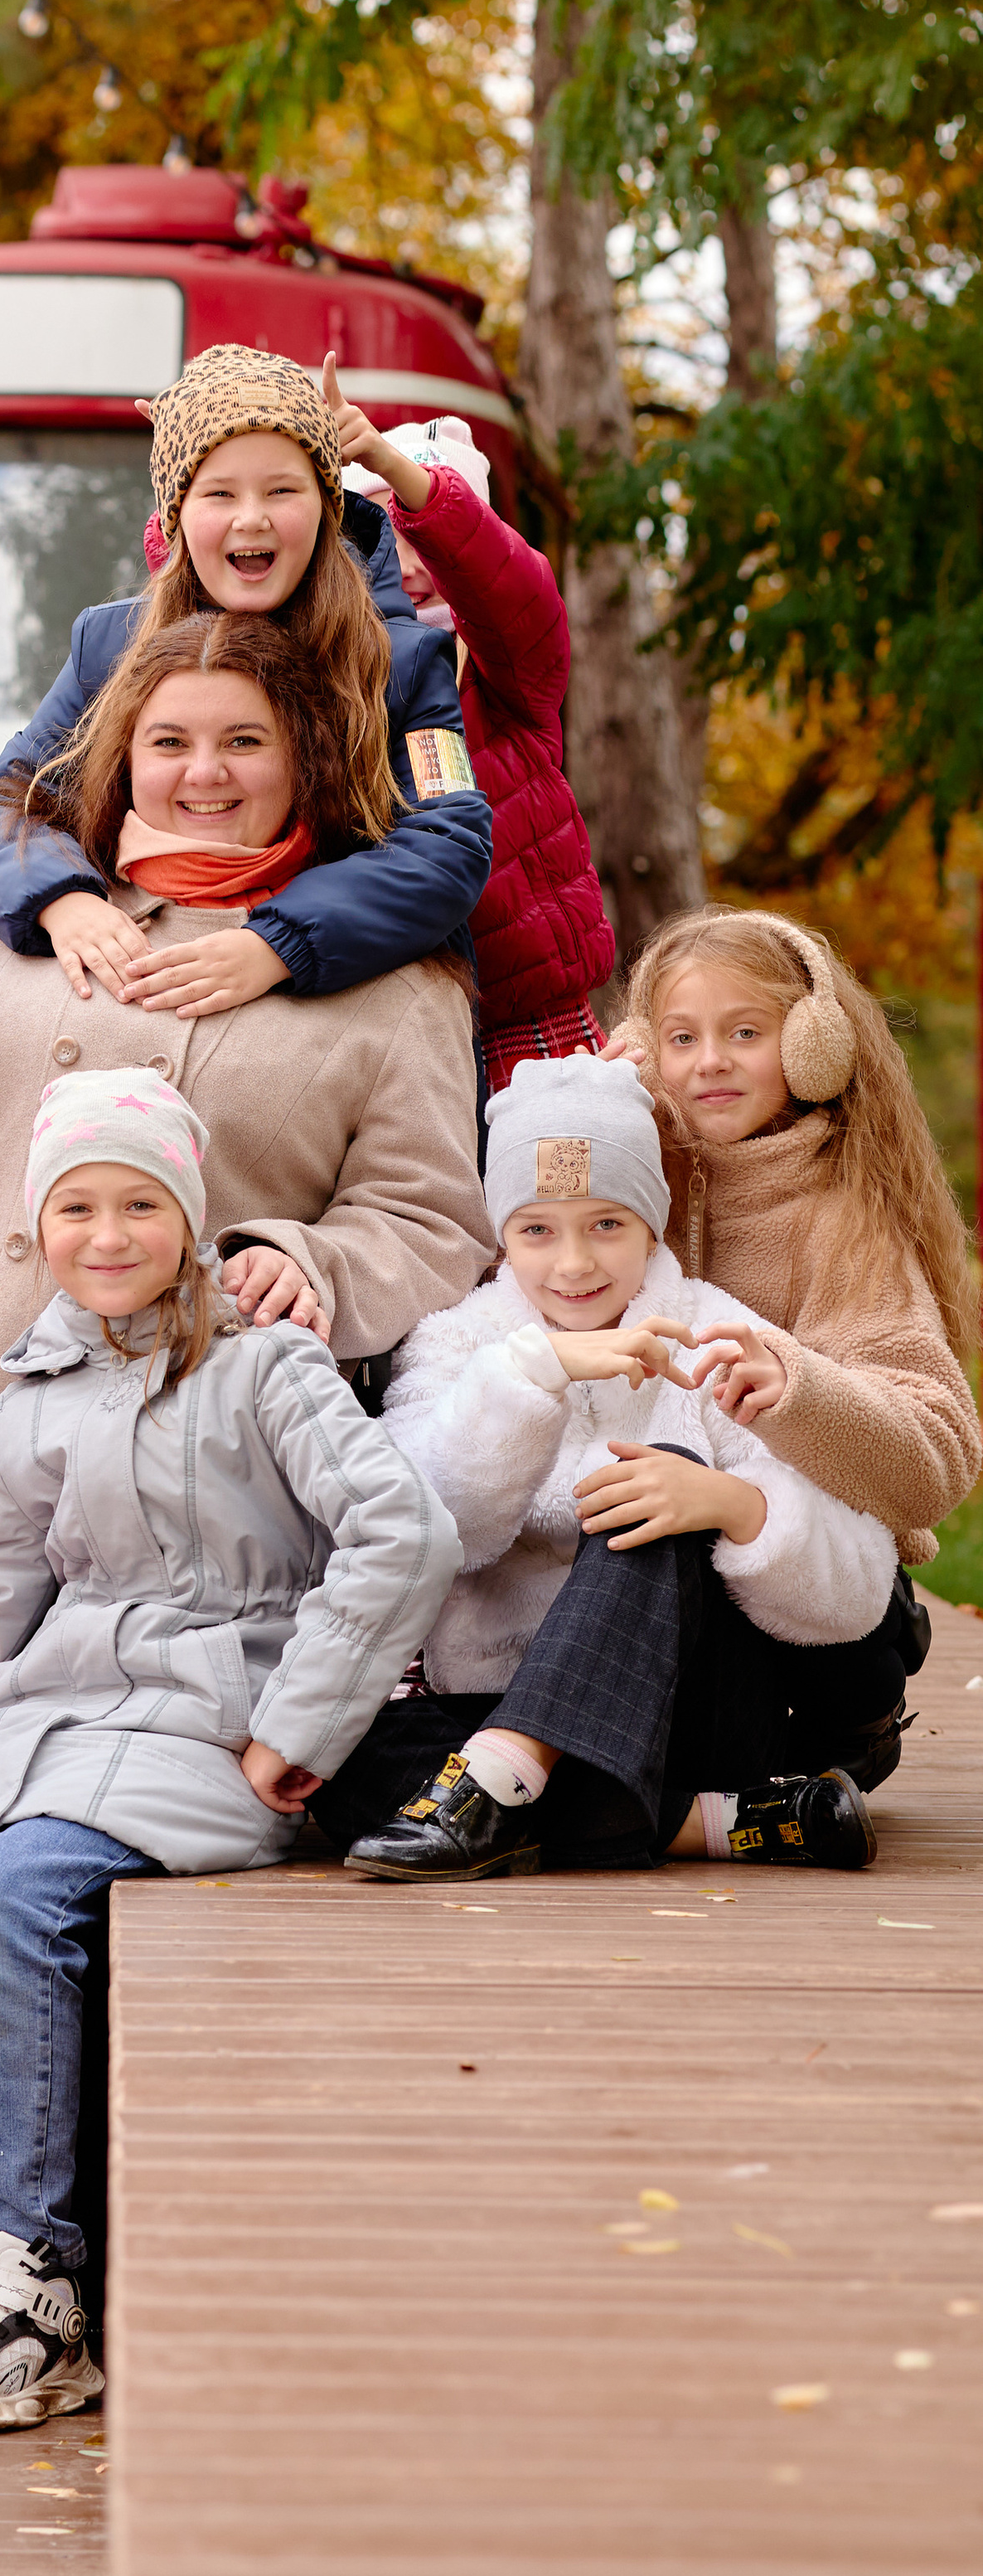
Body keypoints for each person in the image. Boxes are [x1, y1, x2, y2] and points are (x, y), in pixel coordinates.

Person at [0, 1070, 462, 2429]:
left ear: (189, 1218)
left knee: (16, 1902)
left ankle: (43, 2286)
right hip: (54, 1725)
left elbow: (402, 1529)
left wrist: (301, 1723)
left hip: (212, 1713)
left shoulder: (266, 1364)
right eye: (78, 1207)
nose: (109, 1235)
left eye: (141, 1204)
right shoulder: (36, 1393)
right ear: (41, 1225)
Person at [0, 608, 496, 1554]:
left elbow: (432, 1225)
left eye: (245, 742)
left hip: (209, 1497)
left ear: (304, 760)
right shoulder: (17, 935)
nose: (204, 773)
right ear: (124, 757)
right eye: (169, 742)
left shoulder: (399, 989)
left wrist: (307, 1262)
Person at [316, 1055, 898, 1884]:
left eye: (606, 1225)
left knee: (655, 1480)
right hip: (495, 1691)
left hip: (690, 1707)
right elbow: (424, 1532)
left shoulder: (719, 1335)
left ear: (652, 1226)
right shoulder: (458, 1342)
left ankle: (503, 1781)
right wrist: (533, 1375)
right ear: (502, 1235)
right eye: (537, 1231)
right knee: (337, 1766)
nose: (573, 1264)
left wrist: (738, 1507)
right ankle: (720, 1821)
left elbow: (856, 1591)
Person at [0, 343, 492, 1021]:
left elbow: (449, 844)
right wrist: (62, 899)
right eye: (220, 493)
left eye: (282, 490)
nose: (251, 517)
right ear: (177, 512)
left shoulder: (402, 661)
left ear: (326, 506)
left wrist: (278, 944)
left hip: (338, 1013)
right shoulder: (111, 645)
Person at [612, 907, 982, 1787]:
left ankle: (855, 1705)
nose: (710, 1061)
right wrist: (587, 1113)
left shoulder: (842, 1216)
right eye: (681, 1037)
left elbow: (939, 1458)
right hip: (661, 1560)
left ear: (815, 1043)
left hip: (810, 1586)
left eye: (745, 1033)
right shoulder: (625, 1185)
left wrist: (799, 1390)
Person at [321, 372, 614, 1084]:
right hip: (387, 1037)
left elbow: (508, 587)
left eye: (420, 534)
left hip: (527, 1031)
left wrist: (389, 466)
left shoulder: (506, 668)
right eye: (379, 539)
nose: (409, 566)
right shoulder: (328, 672)